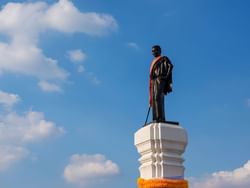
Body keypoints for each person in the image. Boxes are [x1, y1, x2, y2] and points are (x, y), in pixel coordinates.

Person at [149, 45, 173, 122]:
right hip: (154, 80)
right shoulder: (153, 61)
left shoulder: (164, 58)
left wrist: (166, 76)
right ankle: (155, 117)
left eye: (154, 50)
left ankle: (161, 117)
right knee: (154, 99)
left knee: (158, 97)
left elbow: (170, 66)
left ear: (159, 51)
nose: (153, 52)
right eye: (152, 51)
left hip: (160, 79)